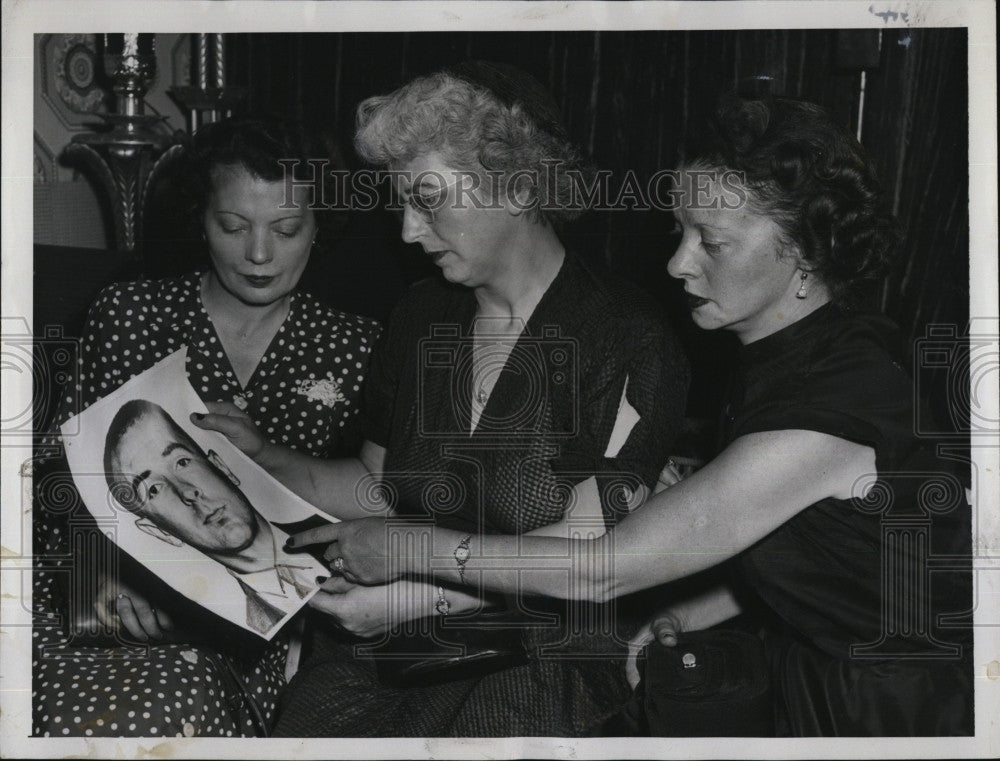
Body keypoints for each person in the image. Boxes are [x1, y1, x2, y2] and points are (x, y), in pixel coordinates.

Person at [299, 95, 974, 736]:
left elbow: (600, 568)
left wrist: (412, 548)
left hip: (897, 706)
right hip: (820, 667)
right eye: (678, 230)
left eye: (712, 242)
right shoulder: (798, 350)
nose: (678, 263)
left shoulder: (827, 407)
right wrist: (696, 608)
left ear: (804, 251)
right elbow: (831, 552)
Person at [195, 61, 690, 736]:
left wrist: (414, 590)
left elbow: (585, 564)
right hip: (391, 647)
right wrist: (265, 457)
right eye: (401, 202)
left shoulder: (626, 338)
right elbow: (378, 485)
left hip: (536, 655)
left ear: (517, 186)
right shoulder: (423, 314)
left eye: (429, 201)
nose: (407, 231)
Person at [32, 115, 380, 737]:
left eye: (286, 228)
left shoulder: (357, 346)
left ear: (320, 228)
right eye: (233, 226)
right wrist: (96, 569)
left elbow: (373, 501)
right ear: (200, 220)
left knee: (174, 703)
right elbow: (55, 472)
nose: (259, 254)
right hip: (106, 593)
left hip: (262, 626)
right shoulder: (130, 312)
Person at [103, 399, 327, 635]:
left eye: (182, 462)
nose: (188, 492)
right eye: (154, 490)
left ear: (222, 466)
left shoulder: (329, 526)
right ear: (157, 531)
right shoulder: (216, 623)